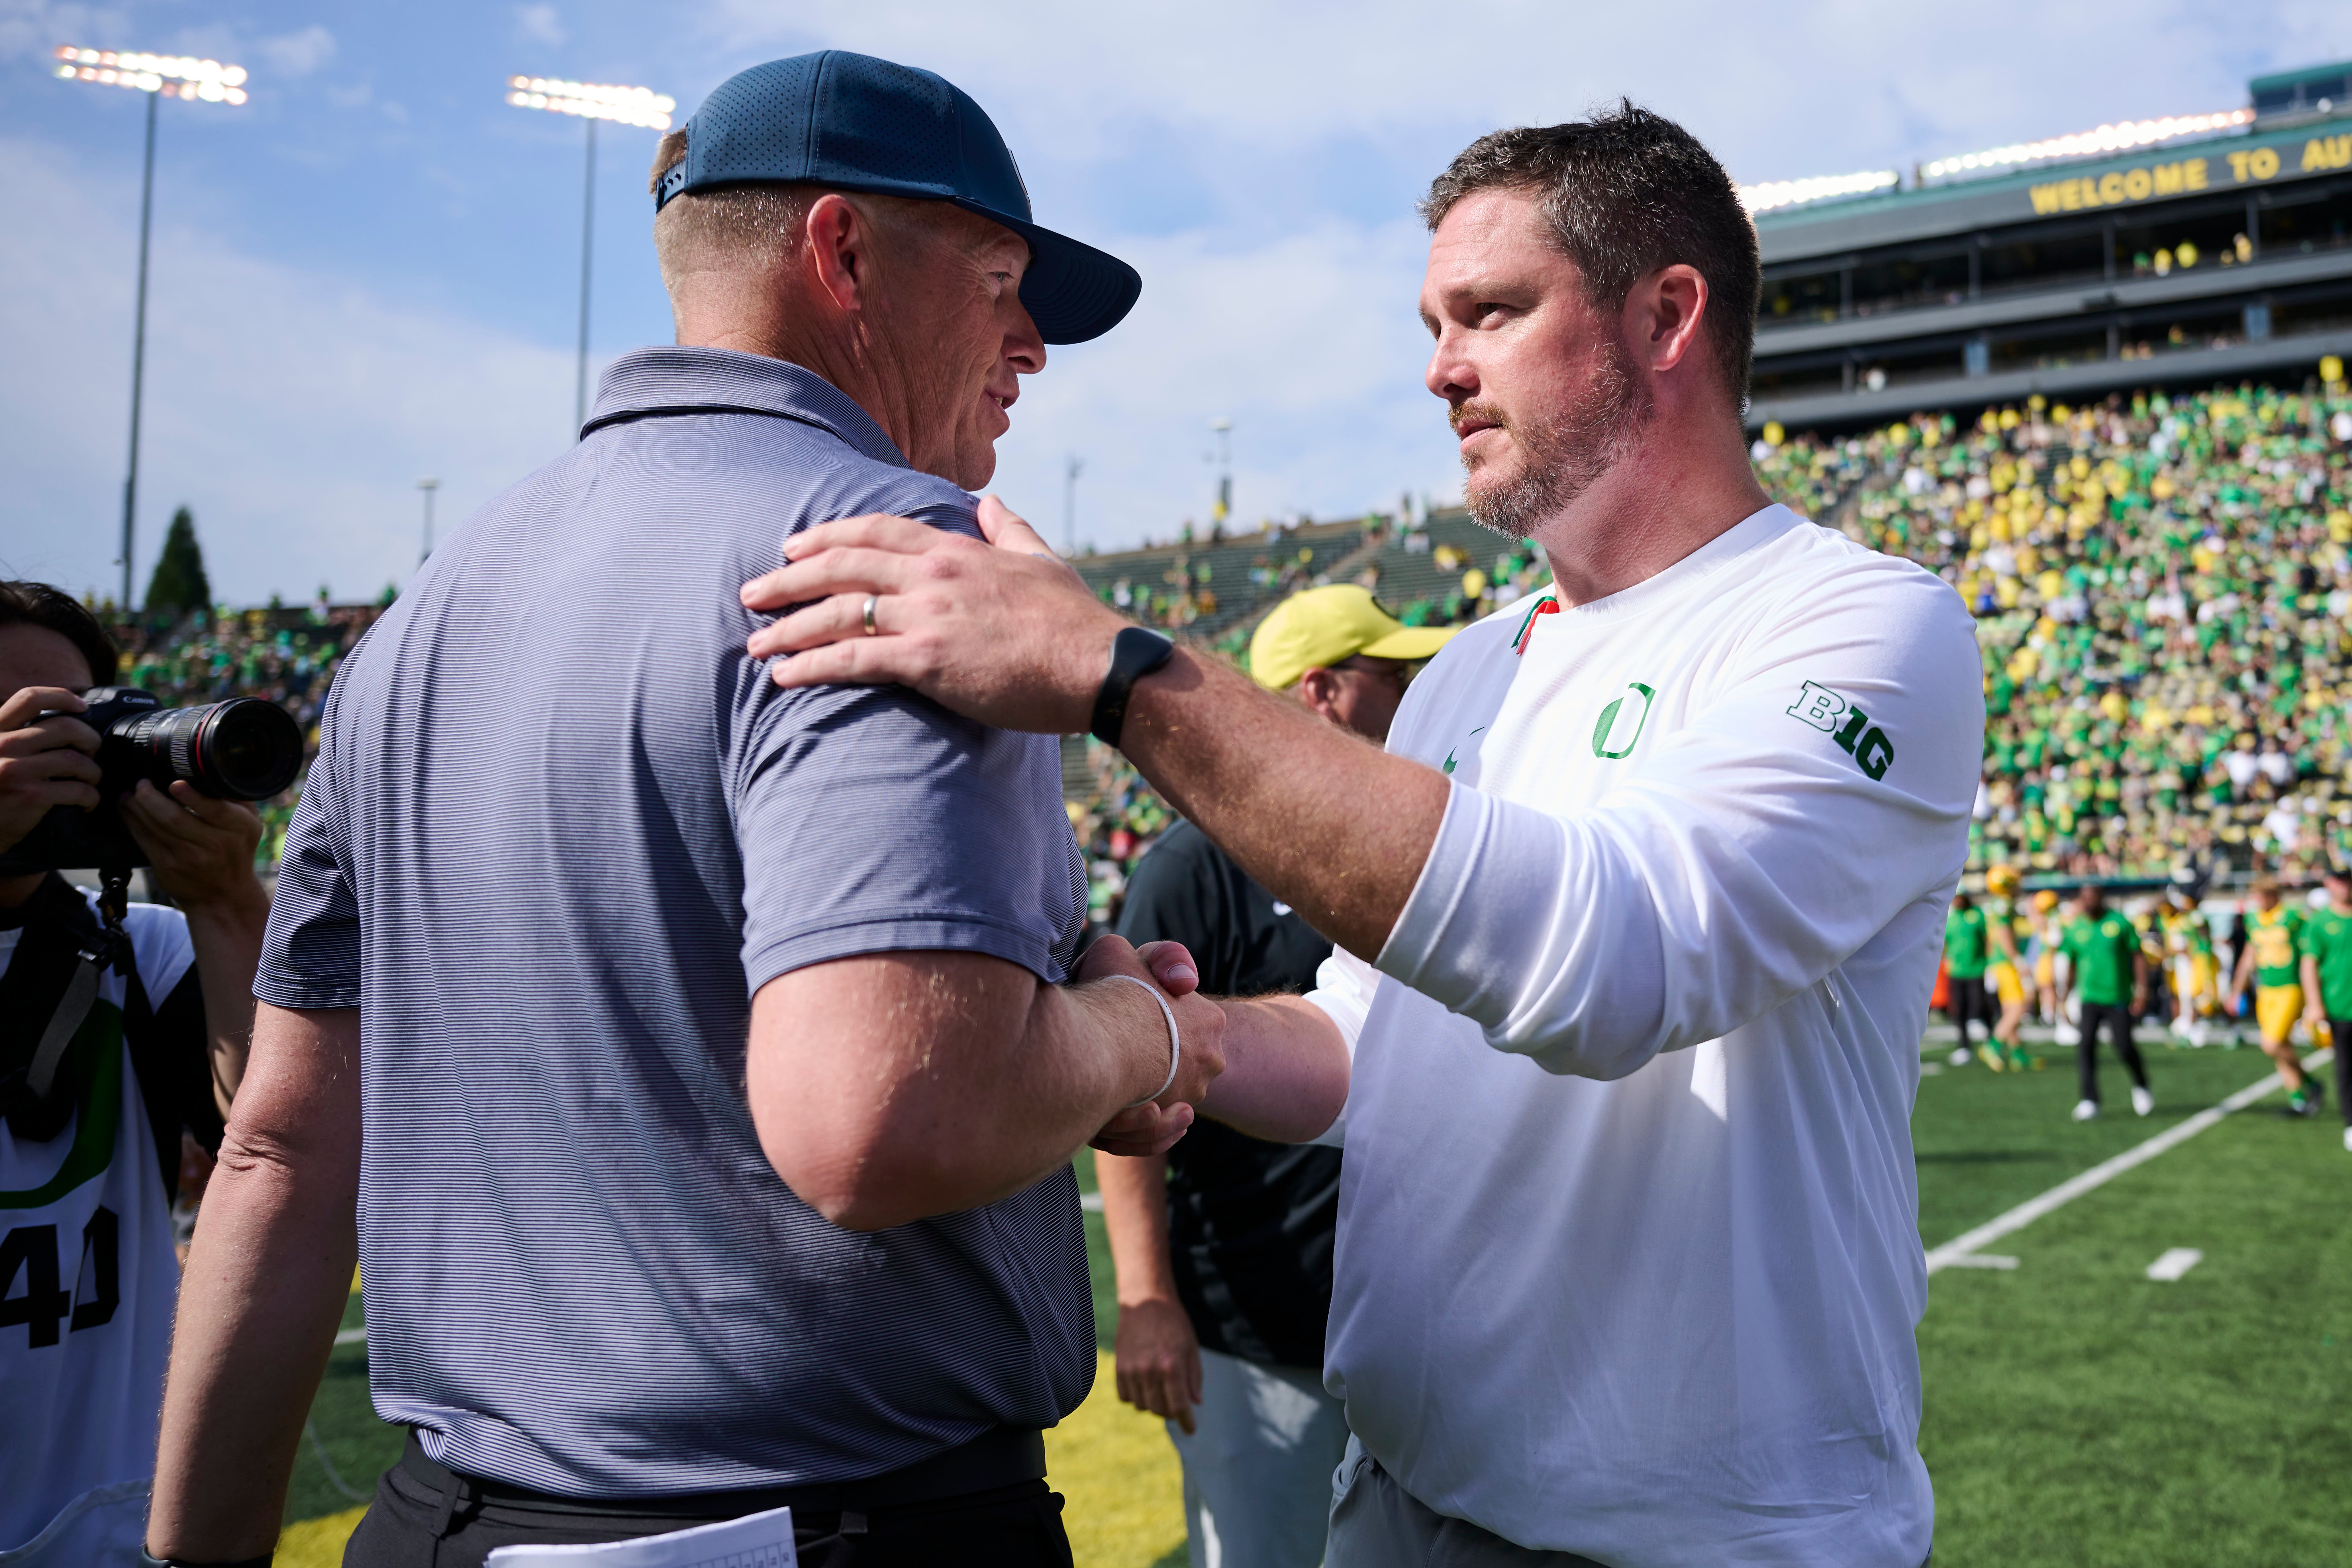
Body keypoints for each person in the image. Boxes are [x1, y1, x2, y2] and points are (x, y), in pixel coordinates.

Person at [143, 54, 1350, 1568]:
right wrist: (1143, 1037)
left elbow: (280, 1156)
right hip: (831, 1524)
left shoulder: (412, 628)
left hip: (443, 1525)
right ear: (842, 251)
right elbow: (884, 1123)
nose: (1031, 342)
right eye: (998, 280)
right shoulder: (899, 556)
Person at [744, 103, 1983, 1566]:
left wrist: (1121, 670)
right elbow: (1362, 1038)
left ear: (1666, 316)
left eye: (1492, 313)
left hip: (1694, 1536)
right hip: (1393, 1492)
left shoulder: (1858, 622)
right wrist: (1155, 1040)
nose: (1439, 365)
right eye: (1433, 321)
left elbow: (1623, 955)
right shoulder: (1464, 665)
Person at [1098, 585, 1452, 1568]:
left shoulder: (1394, 846)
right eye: (1396, 675)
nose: (1417, 693)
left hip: (1398, 1327)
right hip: (1257, 1332)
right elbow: (1137, 1088)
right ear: (1325, 692)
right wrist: (1144, 1297)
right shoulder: (1189, 869)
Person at [0, 583, 269, 1566]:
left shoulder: (141, 949)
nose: (45, 754)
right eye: (15, 720)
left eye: (71, 720)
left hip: (105, 1528)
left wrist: (229, 904)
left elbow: (274, 1138)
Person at [2054, 884, 2154, 1122]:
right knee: (2086, 1046)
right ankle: (2090, 1099)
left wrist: (2142, 990)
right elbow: (2070, 963)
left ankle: (2141, 1084)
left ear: (2101, 899)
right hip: (2089, 997)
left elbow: (2137, 956)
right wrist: (2064, 997)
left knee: (2124, 1046)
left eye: (2093, 897)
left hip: (2118, 996)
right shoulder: (2075, 927)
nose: (2089, 902)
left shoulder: (2119, 923)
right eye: (2085, 898)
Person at [2226, 876, 2325, 1116]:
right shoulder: (2253, 918)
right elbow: (2250, 954)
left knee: (2271, 1043)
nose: (2257, 901)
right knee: (2280, 1045)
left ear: (2272, 895)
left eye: (2260, 895)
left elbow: (2313, 945)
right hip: (2266, 988)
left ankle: (2311, 1084)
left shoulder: (2293, 916)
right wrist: (2237, 989)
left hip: (2290, 986)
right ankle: (2299, 1100)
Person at [2297, 865, 2352, 1152]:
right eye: (2340, 881)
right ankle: (2351, 1122)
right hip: (2340, 1005)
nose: (2345, 886)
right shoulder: (2319, 922)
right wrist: (2314, 1003)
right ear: (2330, 884)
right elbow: (2309, 964)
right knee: (2346, 1067)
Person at [1981, 865, 2034, 1071]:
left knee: (2010, 1008)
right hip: (2005, 962)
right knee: (2019, 1006)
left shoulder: (1995, 904)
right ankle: (1993, 1045)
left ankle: (2017, 1054)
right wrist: (2018, 960)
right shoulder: (2004, 904)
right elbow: (2004, 935)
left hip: (1997, 962)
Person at [1942, 889, 1992, 1067]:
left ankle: (1991, 1038)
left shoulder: (1977, 915)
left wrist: (1990, 963)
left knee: (1978, 1006)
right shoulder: (1951, 919)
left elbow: (1987, 940)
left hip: (1977, 969)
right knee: (1960, 1010)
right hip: (1956, 971)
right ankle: (1964, 1046)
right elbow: (1945, 943)